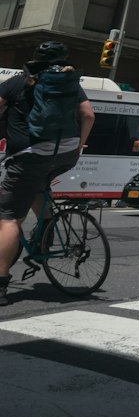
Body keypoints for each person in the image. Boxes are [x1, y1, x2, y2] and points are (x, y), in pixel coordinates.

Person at [0, 40, 95, 306]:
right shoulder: (70, 84)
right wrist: (78, 147)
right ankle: (45, 234)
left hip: (29, 155)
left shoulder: (18, 82)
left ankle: (0, 285)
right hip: (64, 155)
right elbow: (88, 115)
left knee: (8, 219)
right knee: (38, 186)